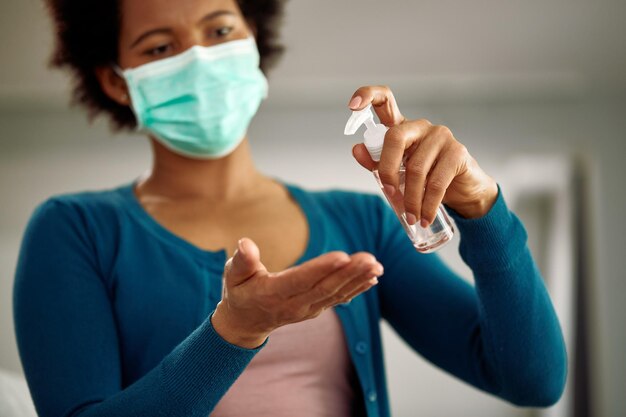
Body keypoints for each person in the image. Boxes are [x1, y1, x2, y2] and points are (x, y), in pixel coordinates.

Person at [13, 0, 567, 416]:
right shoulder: (75, 231)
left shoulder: (361, 223)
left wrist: (484, 212)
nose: (200, 60)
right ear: (115, 80)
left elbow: (531, 379)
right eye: (160, 48)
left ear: (253, 39)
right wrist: (232, 332)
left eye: (220, 30)